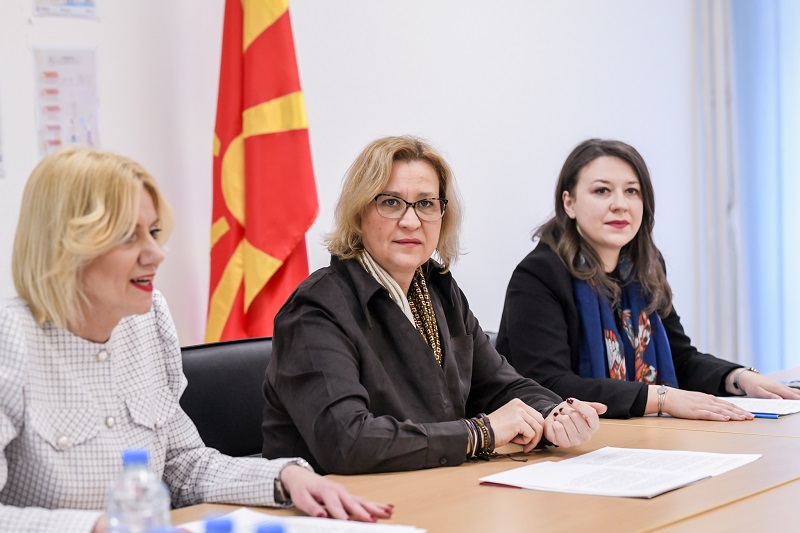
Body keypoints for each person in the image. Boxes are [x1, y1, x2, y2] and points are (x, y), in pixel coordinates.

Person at [0, 147, 392, 532]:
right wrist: (103, 527)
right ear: (65, 247)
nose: (156, 253)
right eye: (128, 237)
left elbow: (183, 465)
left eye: (154, 232)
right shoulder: (10, 339)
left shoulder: (149, 319)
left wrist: (285, 477)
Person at [261, 135, 605, 475]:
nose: (411, 221)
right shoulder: (314, 309)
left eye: (426, 204)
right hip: (338, 501)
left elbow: (501, 386)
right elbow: (347, 441)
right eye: (390, 202)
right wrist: (481, 433)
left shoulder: (438, 288)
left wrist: (553, 413)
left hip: (433, 485)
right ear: (359, 212)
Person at [497, 138, 800, 420]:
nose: (620, 204)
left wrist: (738, 377)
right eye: (602, 191)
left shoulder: (644, 268)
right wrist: (661, 398)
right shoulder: (538, 275)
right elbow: (547, 384)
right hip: (564, 444)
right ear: (569, 203)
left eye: (632, 191)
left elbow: (680, 357)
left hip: (642, 434)